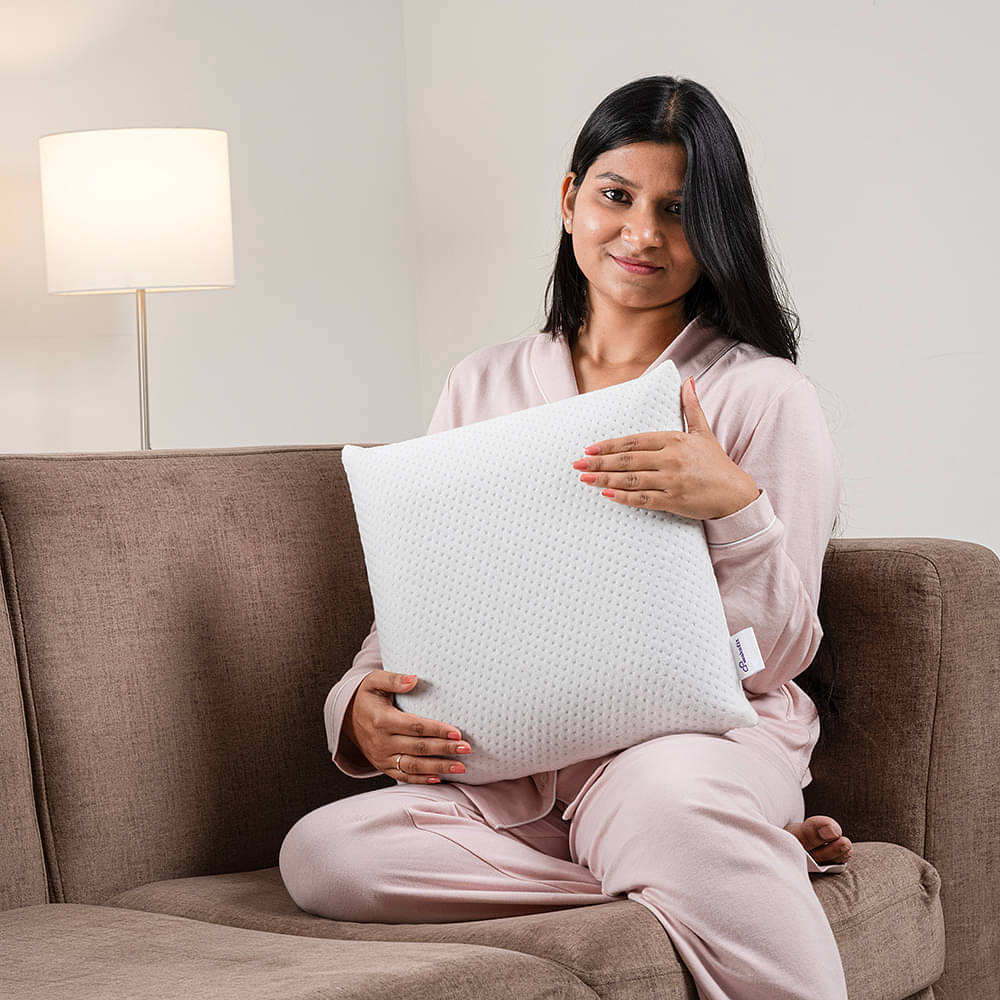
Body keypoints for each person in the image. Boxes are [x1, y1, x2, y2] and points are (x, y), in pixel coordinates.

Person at [280, 75, 853, 1000]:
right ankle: (729, 866)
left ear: (718, 229)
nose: (643, 236)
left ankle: (706, 840)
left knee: (671, 799)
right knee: (324, 855)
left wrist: (734, 507)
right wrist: (359, 705)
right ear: (569, 199)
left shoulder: (764, 395)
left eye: (678, 210)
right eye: (616, 197)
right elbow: (430, 589)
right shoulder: (483, 381)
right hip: (517, 774)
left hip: (687, 757)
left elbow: (776, 655)